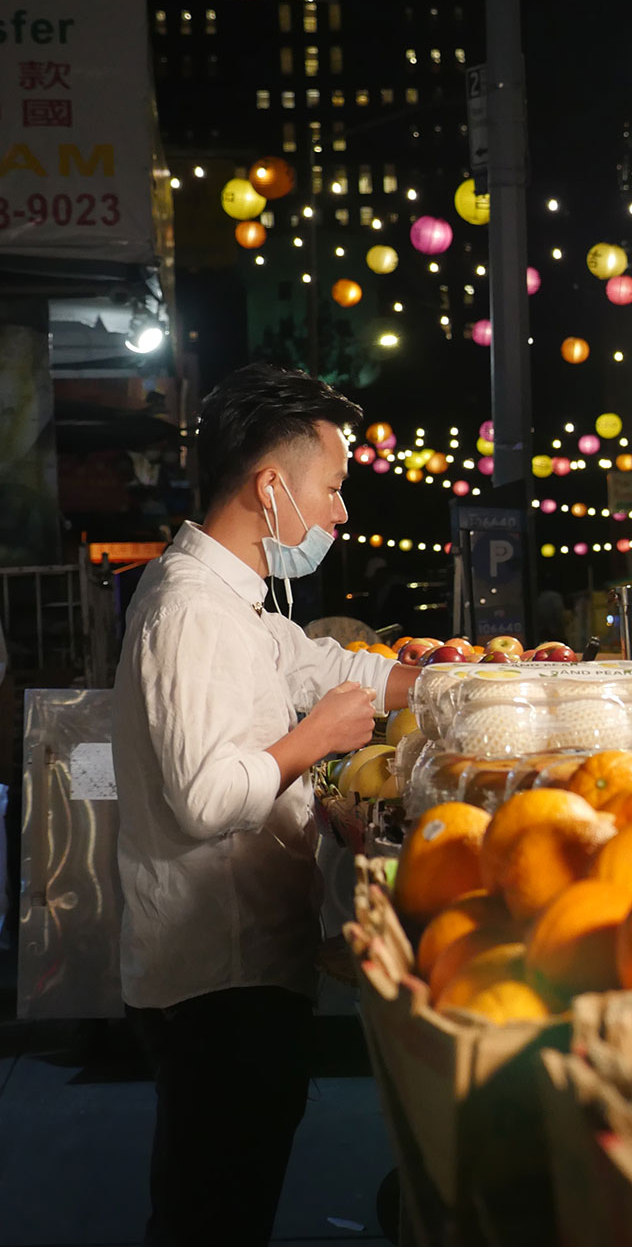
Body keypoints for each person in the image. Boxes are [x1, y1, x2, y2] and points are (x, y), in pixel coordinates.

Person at [112, 364, 420, 1247]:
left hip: (250, 963)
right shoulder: (188, 612)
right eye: (333, 489)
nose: (340, 515)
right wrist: (313, 742)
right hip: (215, 976)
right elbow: (208, 795)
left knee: (227, 1198)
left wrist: (452, 684)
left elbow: (326, 667)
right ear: (270, 485)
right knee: (211, 1213)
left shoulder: (238, 599)